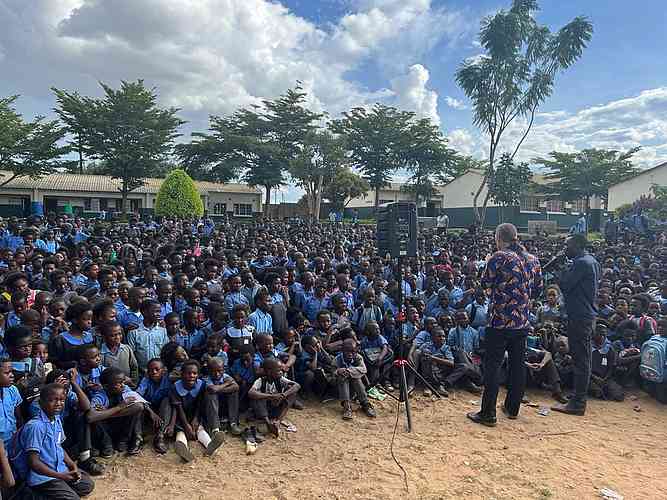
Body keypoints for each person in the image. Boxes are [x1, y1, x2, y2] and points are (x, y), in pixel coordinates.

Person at [468, 223, 542, 427]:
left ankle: (488, 414)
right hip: (522, 322)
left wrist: (487, 266)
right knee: (517, 366)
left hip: (499, 322)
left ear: (499, 238)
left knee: (493, 366)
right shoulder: (533, 259)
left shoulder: (498, 257)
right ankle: (512, 408)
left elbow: (485, 284)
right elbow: (537, 290)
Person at [12, 383, 95, 499]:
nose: (58, 403)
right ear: (41, 403)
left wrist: (72, 465)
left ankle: (59, 489)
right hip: (42, 476)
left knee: (87, 485)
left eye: (62, 400)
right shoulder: (36, 426)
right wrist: (61, 476)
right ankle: (32, 495)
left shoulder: (56, 419)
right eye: (52, 400)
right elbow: (33, 462)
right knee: (72, 498)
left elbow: (58, 447)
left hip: (59, 469)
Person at [552, 234, 601, 416]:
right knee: (582, 358)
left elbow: (566, 285)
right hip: (585, 315)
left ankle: (578, 403)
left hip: (580, 316)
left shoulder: (581, 263)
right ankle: (577, 397)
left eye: (568, 245)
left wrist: (557, 268)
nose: (565, 249)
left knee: (581, 360)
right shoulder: (591, 261)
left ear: (579, 245)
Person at [248, 358, 300, 437]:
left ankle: (278, 421)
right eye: (278, 370)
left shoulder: (281, 379)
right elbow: (251, 393)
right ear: (269, 372)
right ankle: (268, 423)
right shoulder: (260, 381)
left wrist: (284, 395)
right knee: (257, 397)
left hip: (276, 409)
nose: (281, 372)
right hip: (264, 410)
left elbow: (297, 385)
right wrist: (271, 396)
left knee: (292, 393)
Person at [335, 338, 376, 421]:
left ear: (356, 350)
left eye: (353, 351)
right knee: (342, 377)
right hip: (341, 388)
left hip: (355, 387)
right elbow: (332, 371)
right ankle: (347, 407)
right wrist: (338, 371)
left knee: (356, 378)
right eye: (347, 351)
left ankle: (365, 404)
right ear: (342, 351)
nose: (350, 354)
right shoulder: (337, 359)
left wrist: (349, 371)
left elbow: (363, 369)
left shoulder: (358, 357)